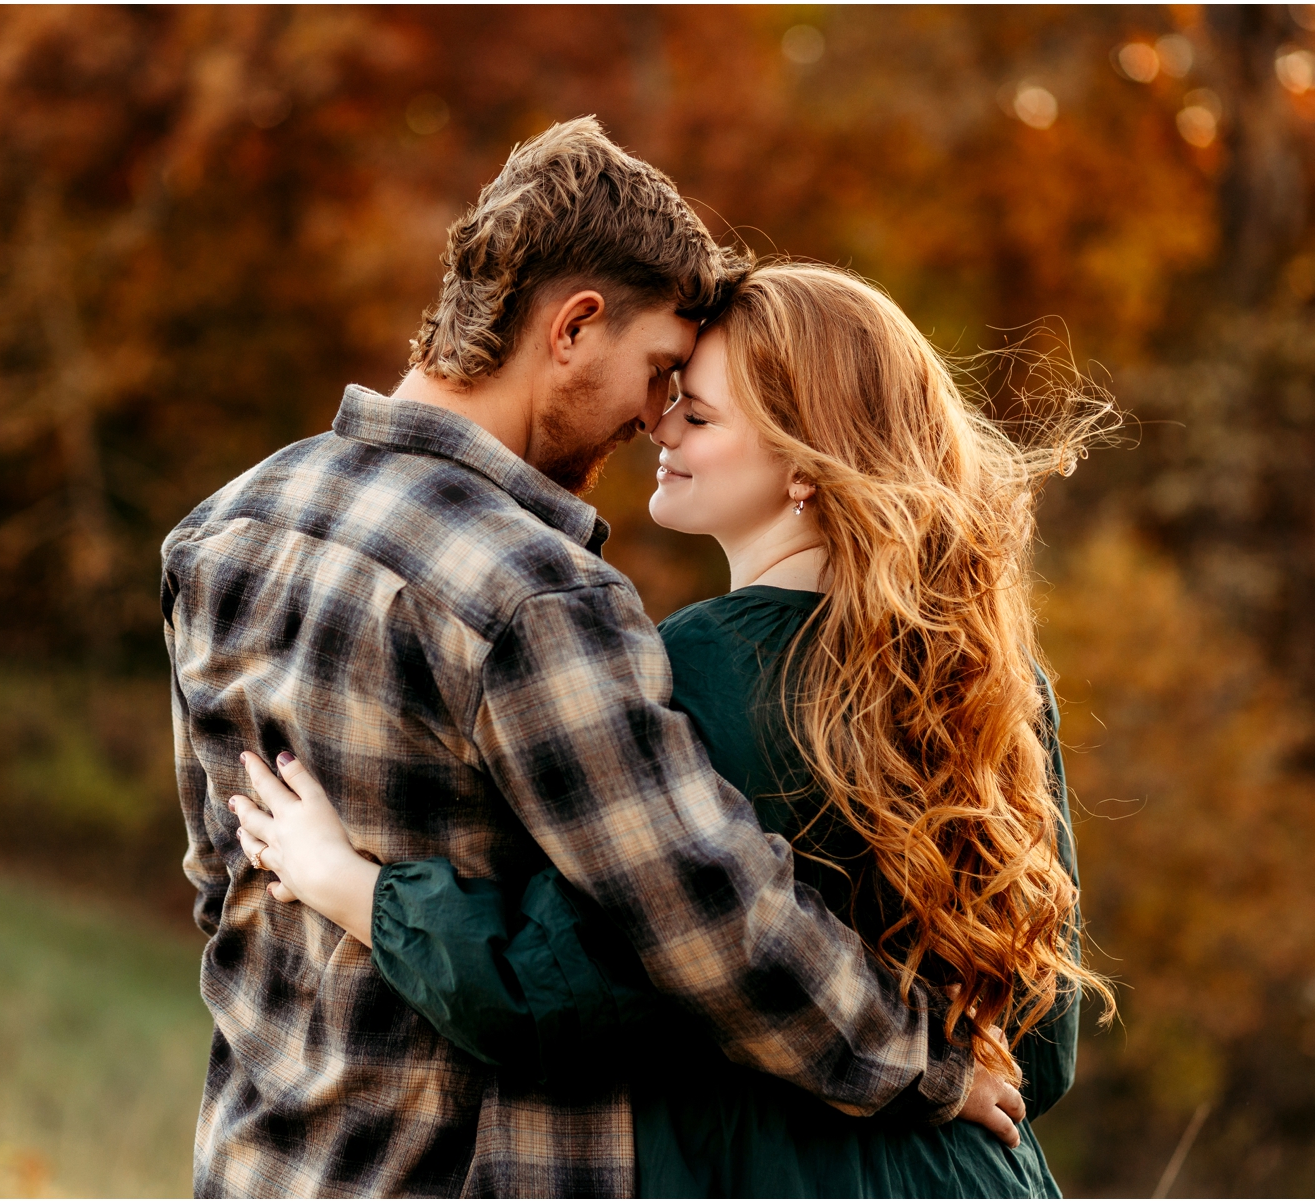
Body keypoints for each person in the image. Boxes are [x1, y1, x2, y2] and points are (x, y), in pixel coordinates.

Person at [161, 119, 1002, 1198]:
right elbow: (710, 917)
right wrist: (925, 1067)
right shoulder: (532, 593)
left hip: (257, 1157)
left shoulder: (225, 526)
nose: (655, 417)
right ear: (575, 327)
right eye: (656, 371)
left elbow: (218, 882)